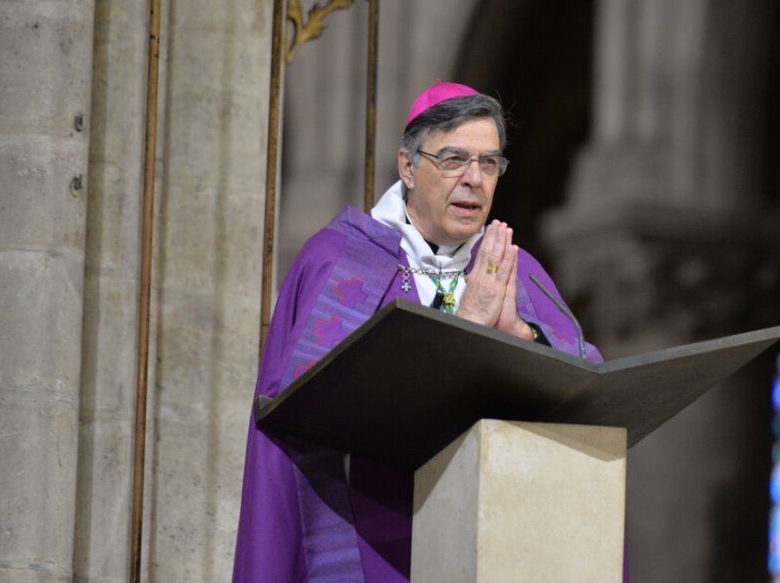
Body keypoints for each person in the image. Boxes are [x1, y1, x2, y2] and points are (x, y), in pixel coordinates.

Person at [233, 82, 603, 582]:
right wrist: (465, 329)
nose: (474, 179)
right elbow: (304, 412)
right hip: (368, 536)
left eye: (489, 163)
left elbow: (592, 389)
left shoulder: (515, 269)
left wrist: (520, 334)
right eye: (454, 159)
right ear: (408, 167)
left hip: (495, 542)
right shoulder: (340, 261)